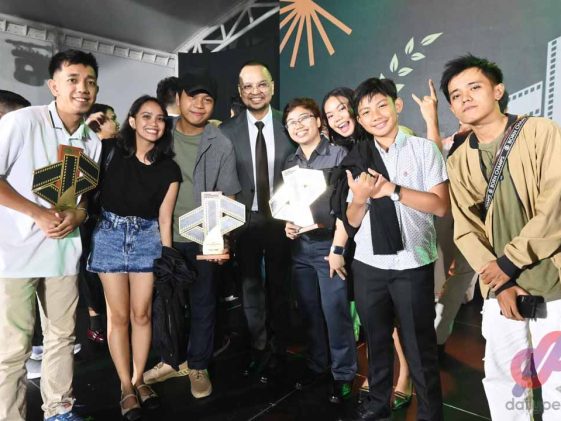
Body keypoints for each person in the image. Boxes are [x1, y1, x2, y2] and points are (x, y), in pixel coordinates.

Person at [442, 54, 561, 420]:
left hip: (552, 280)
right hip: (500, 288)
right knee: (503, 379)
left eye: (474, 87)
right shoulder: (459, 161)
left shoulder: (540, 131)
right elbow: (466, 229)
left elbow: (555, 204)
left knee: (557, 383)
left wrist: (509, 262)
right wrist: (501, 281)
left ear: (498, 91)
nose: (465, 98)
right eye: (456, 95)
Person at [0, 49, 102, 421]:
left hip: (63, 253)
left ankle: (59, 408)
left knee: (62, 338)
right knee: (13, 349)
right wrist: (37, 213)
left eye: (90, 81)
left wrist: (77, 214)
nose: (82, 88)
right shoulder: (23, 122)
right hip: (15, 254)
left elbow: (80, 199)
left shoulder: (91, 139)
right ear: (53, 86)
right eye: (72, 79)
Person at [341, 77, 448, 421]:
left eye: (381, 106)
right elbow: (351, 220)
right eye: (365, 112)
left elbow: (440, 206)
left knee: (420, 348)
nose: (375, 116)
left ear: (397, 105)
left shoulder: (423, 150)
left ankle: (430, 414)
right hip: (368, 264)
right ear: (359, 120)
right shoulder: (359, 157)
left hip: (412, 264)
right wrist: (360, 198)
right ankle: (377, 406)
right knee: (376, 342)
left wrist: (393, 190)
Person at [143, 73, 241, 400]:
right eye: (193, 97)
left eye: (207, 99)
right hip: (161, 235)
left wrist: (224, 238)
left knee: (203, 302)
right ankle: (170, 360)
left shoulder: (220, 143)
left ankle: (198, 365)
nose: (199, 105)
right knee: (165, 304)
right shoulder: (161, 134)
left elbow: (228, 195)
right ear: (180, 98)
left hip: (203, 236)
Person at [87, 95, 181, 420]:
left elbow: (165, 219)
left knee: (141, 315)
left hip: (146, 238)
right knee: (118, 317)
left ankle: (140, 379)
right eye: (146, 116)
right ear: (132, 121)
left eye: (160, 118)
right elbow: (77, 168)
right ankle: (125, 386)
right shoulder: (109, 150)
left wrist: (167, 259)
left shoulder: (169, 168)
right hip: (109, 235)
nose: (154, 123)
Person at [220, 61, 295, 383]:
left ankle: (280, 347)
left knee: (281, 286)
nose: (255, 91)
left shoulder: (290, 124)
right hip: (244, 220)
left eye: (261, 84)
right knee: (250, 287)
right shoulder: (226, 131)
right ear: (240, 91)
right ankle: (259, 347)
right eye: (248, 86)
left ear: (272, 87)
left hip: (282, 219)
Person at [282, 97, 357, 403]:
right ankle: (317, 365)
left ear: (318, 121)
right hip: (300, 248)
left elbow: (348, 207)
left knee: (335, 312)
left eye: (303, 118)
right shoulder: (291, 161)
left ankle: (343, 373)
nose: (298, 126)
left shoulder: (340, 155)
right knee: (310, 311)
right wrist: (288, 223)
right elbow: (290, 203)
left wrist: (332, 240)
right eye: (291, 122)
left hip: (330, 245)